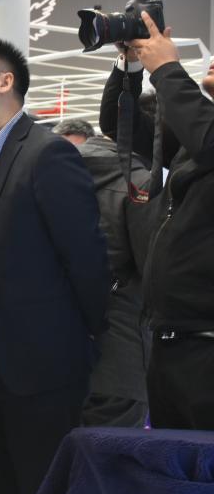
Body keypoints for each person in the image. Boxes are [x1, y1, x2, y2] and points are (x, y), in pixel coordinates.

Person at [0, 38, 109, 494]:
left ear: (6, 82)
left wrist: (84, 336)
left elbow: (86, 256)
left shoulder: (46, 152)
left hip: (43, 363)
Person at [99, 13, 214, 431]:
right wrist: (130, 65)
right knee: (171, 463)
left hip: (205, 344)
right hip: (171, 340)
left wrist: (166, 68)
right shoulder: (196, 140)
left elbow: (208, 140)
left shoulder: (205, 136)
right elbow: (120, 126)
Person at [54, 118, 152, 428]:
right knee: (112, 452)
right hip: (119, 354)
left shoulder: (48, 173)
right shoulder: (139, 184)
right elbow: (155, 272)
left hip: (50, 350)